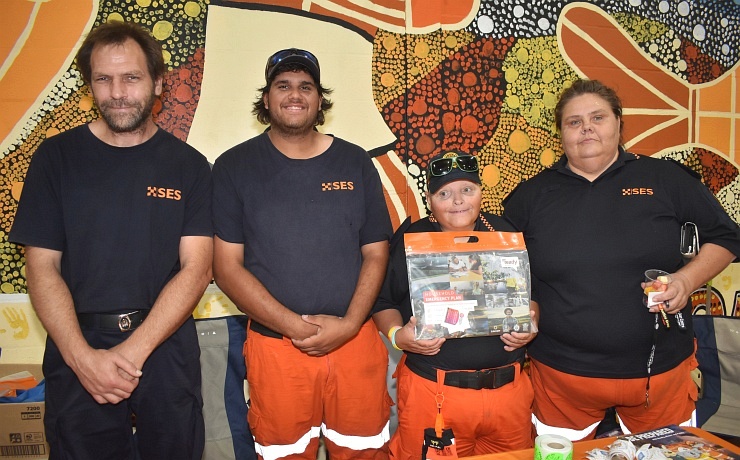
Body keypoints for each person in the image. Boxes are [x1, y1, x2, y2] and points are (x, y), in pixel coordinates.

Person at [8, 21, 212, 459]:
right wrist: (84, 359)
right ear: (90, 85)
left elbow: (197, 269)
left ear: (158, 83)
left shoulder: (190, 166)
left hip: (164, 346)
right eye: (104, 79)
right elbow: (41, 267)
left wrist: (133, 353)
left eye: (131, 77)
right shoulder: (55, 158)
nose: (117, 92)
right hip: (77, 347)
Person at [502, 79, 740, 441]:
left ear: (618, 123)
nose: (586, 128)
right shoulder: (530, 197)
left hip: (658, 374)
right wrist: (527, 308)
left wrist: (686, 280)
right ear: (561, 133)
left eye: (597, 117)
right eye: (574, 122)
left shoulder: (665, 179)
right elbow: (507, 269)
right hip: (561, 378)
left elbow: (726, 236)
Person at [211, 48, 393, 459]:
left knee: (364, 450)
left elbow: (376, 252)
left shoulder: (354, 161)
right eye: (283, 86)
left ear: (319, 99)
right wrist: (296, 328)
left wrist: (349, 325)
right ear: (266, 98)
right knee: (283, 453)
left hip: (354, 342)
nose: (295, 95)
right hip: (277, 348)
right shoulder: (234, 166)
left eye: (306, 87)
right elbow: (226, 268)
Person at [373, 150, 537, 459]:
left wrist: (531, 323)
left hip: (509, 393)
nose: (458, 200)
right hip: (434, 392)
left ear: (480, 192)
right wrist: (397, 336)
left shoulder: (505, 233)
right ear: (429, 199)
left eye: (467, 189)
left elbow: (532, 295)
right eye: (444, 193)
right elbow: (382, 301)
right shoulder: (411, 239)